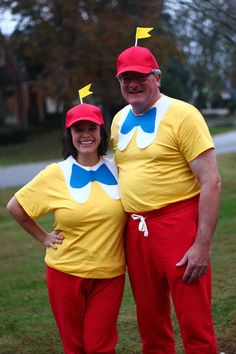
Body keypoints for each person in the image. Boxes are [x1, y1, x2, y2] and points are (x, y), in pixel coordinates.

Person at [110, 45, 221, 354]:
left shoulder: (184, 114)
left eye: (140, 77)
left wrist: (202, 245)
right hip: (136, 230)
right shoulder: (118, 120)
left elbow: (211, 180)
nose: (132, 85)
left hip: (178, 224)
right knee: (150, 321)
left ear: (156, 77)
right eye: (125, 79)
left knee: (194, 320)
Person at [7, 103, 127, 354]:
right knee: (74, 347)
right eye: (78, 129)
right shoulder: (55, 173)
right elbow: (16, 207)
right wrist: (43, 237)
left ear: (101, 133)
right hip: (65, 274)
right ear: (69, 135)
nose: (86, 135)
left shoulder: (118, 169)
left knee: (100, 347)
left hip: (109, 275)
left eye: (91, 128)